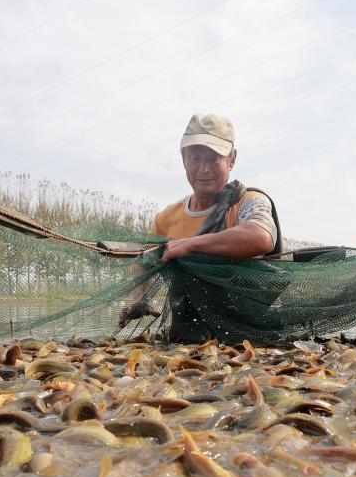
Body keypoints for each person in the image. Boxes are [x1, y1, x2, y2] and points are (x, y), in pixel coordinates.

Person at [118, 113, 282, 334]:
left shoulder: (249, 201)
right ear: (184, 159)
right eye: (195, 158)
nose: (204, 169)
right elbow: (144, 261)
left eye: (214, 159)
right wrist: (138, 297)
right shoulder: (166, 218)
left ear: (231, 159)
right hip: (187, 332)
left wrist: (191, 245)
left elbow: (260, 237)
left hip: (250, 331)